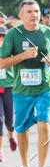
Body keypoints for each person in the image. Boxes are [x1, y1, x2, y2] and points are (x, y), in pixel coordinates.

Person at [0, 0, 50, 167]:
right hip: (21, 90)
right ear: (21, 16)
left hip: (45, 88)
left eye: (35, 11)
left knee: (44, 124)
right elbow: (2, 62)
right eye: (29, 11)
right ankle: (25, 166)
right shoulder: (13, 35)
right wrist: (23, 56)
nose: (34, 15)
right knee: (22, 128)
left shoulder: (49, 32)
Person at [0, 24, 17, 160]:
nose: (0, 38)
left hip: (9, 86)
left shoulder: (11, 51)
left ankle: (11, 135)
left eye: (3, 36)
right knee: (0, 119)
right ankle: (0, 150)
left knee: (10, 121)